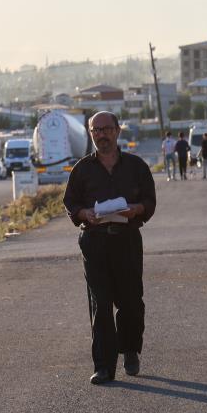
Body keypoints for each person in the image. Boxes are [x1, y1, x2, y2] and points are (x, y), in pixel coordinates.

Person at [63, 111, 157, 385]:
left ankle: (129, 350)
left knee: (130, 302)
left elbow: (150, 201)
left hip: (126, 240)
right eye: (96, 130)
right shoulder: (82, 169)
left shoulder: (136, 166)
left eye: (106, 129)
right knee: (100, 304)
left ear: (117, 131)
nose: (101, 135)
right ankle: (103, 366)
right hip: (94, 242)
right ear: (91, 134)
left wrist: (136, 209)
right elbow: (71, 203)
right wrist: (84, 214)